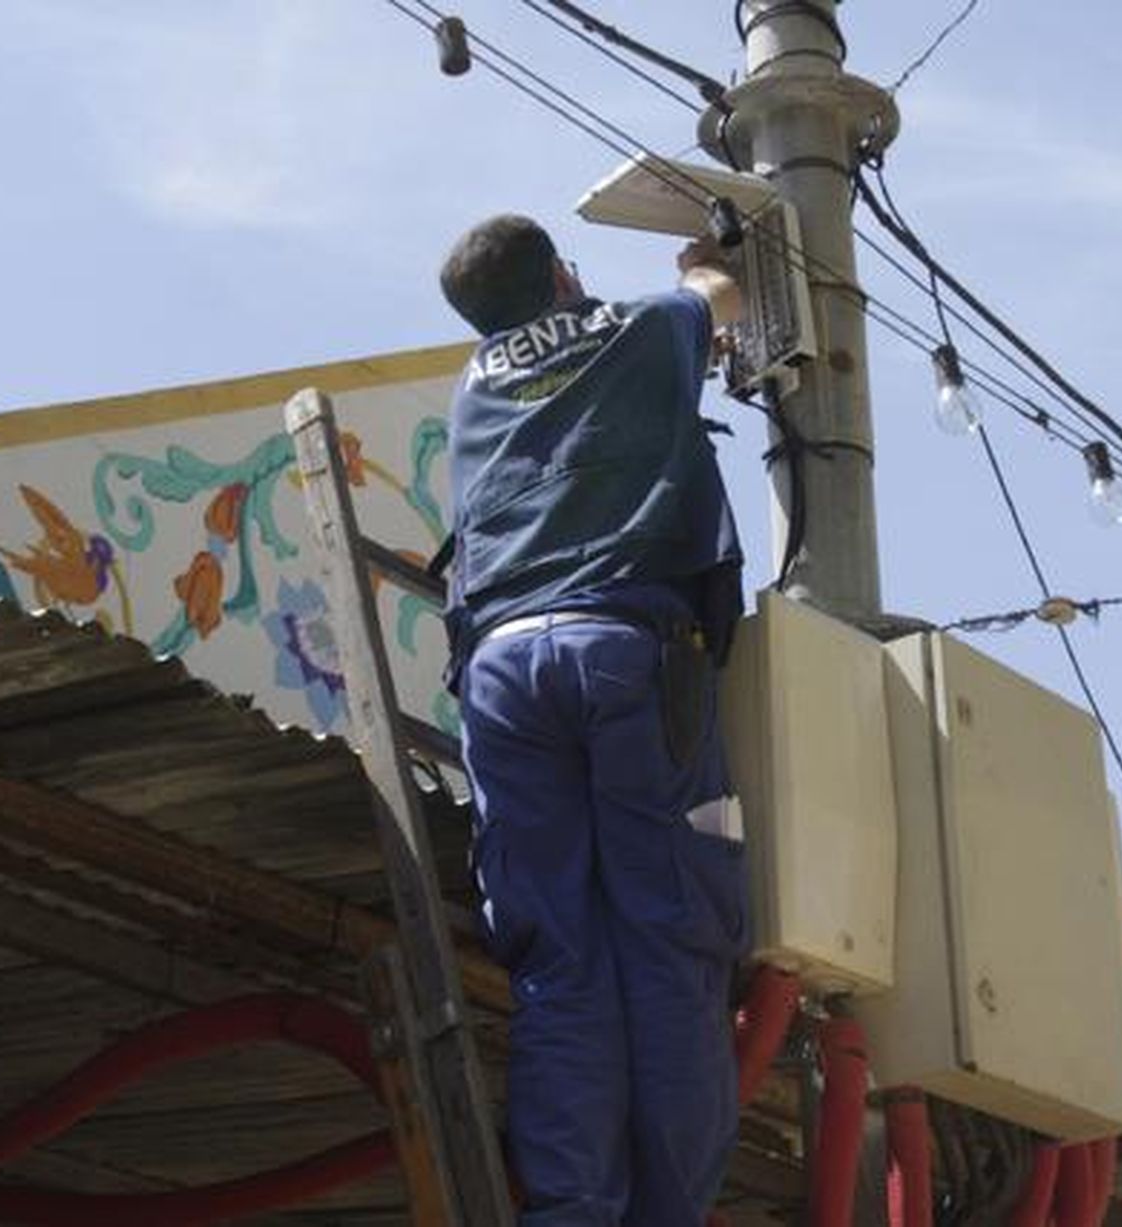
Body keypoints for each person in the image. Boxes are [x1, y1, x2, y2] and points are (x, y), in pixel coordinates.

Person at [438, 214, 750, 1227]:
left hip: (500, 671)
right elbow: (718, 298)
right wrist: (706, 257)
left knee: (558, 958)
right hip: (625, 647)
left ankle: (572, 1210)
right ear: (564, 274)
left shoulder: (472, 388)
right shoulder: (639, 327)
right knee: (668, 938)